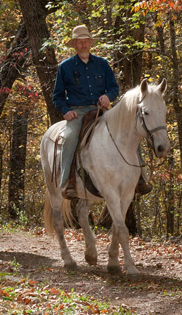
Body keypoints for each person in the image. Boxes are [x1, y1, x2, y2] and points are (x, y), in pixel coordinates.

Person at [53, 25, 151, 200]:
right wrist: (66, 111)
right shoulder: (65, 67)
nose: (83, 45)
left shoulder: (102, 64)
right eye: (79, 42)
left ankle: (141, 177)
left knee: (131, 130)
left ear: (90, 43)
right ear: (75, 44)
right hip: (78, 112)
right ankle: (68, 181)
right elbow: (57, 97)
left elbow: (114, 88)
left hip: (103, 111)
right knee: (69, 138)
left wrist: (108, 96)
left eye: (86, 41)